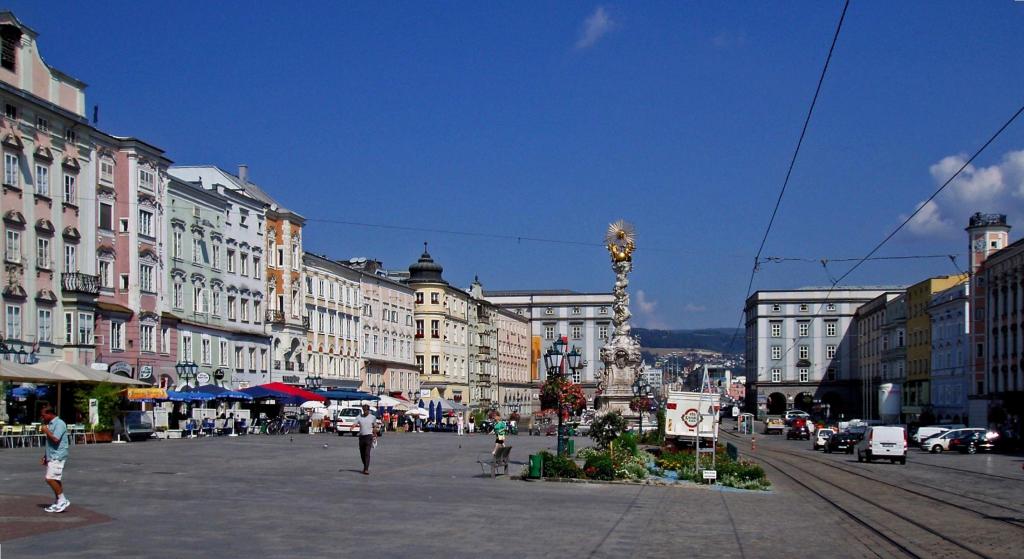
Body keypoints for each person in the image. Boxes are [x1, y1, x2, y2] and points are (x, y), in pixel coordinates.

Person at [39, 404, 70, 513]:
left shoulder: (59, 423)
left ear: (50, 414)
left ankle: (63, 500)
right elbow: (50, 443)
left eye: (43, 415)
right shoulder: (51, 424)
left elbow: (56, 439)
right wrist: (45, 456)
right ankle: (59, 501)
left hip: (58, 455)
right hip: (52, 455)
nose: (42, 418)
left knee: (50, 478)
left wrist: (46, 431)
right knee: (55, 478)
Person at [355, 404, 378, 475]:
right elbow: (355, 423)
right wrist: (353, 426)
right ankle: (365, 466)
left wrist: (375, 433)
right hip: (361, 437)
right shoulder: (359, 417)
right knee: (362, 454)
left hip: (369, 437)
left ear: (369, 410)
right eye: (364, 410)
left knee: (367, 453)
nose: (365, 411)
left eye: (366, 410)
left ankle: (366, 469)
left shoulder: (372, 417)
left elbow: (374, 426)